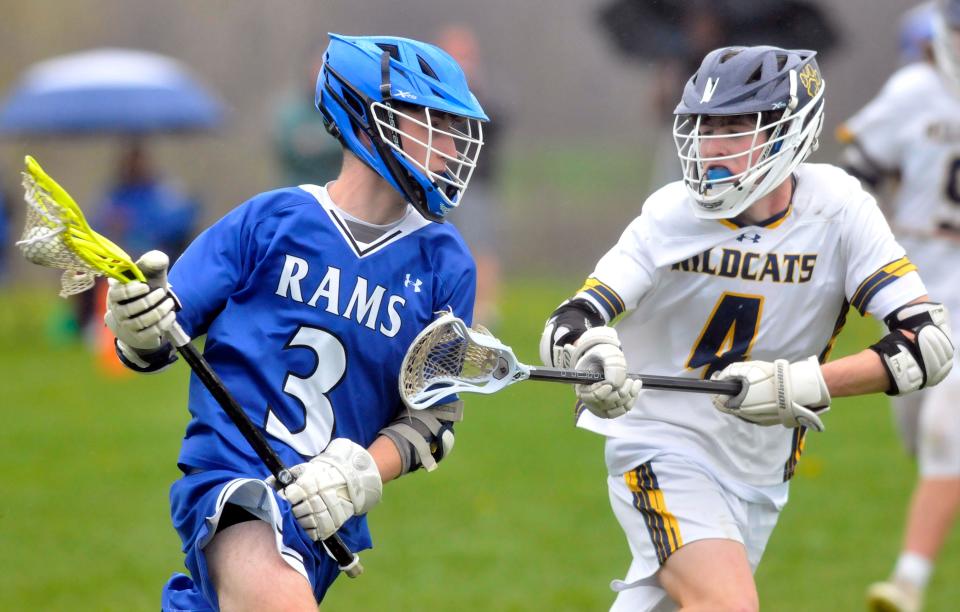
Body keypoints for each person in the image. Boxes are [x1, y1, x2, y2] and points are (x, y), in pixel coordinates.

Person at [539, 45, 955, 611]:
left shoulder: (837, 208)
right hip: (661, 445)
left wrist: (803, 386)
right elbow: (573, 317)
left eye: (735, 129)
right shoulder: (671, 212)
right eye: (704, 129)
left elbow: (928, 344)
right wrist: (589, 357)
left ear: (792, 131)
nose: (711, 149)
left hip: (759, 470)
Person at [103, 33, 487, 610]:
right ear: (365, 119)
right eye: (432, 121)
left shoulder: (445, 263)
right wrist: (137, 325)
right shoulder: (271, 221)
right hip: (234, 487)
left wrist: (356, 473)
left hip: (323, 515)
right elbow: (161, 335)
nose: (452, 147)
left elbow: (432, 418)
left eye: (455, 129)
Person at [837, 2, 960, 610]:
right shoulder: (914, 92)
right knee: (920, 433)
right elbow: (853, 178)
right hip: (919, 287)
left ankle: (908, 581)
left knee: (948, 427)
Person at [435, 24, 505, 329]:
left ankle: (485, 307)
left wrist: (472, 89)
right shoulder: (431, 86)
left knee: (480, 243)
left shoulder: (486, 89)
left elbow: (498, 122)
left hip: (477, 180)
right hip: (438, 178)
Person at [272, 44, 343, 186]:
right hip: (299, 189)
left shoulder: (340, 109)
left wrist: (317, 142)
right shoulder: (292, 110)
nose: (320, 75)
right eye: (318, 69)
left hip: (334, 191)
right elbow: (291, 148)